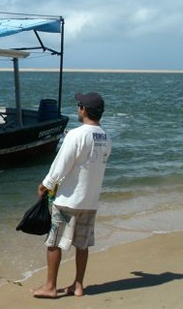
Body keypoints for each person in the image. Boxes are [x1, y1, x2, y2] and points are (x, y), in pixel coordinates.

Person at [32, 92, 113, 299]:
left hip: (68, 200)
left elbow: (60, 167)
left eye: (79, 105)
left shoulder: (77, 135)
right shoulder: (106, 136)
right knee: (82, 245)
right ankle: (78, 285)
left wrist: (44, 185)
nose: (78, 108)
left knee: (54, 243)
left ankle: (50, 287)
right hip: (90, 200)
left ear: (84, 110)